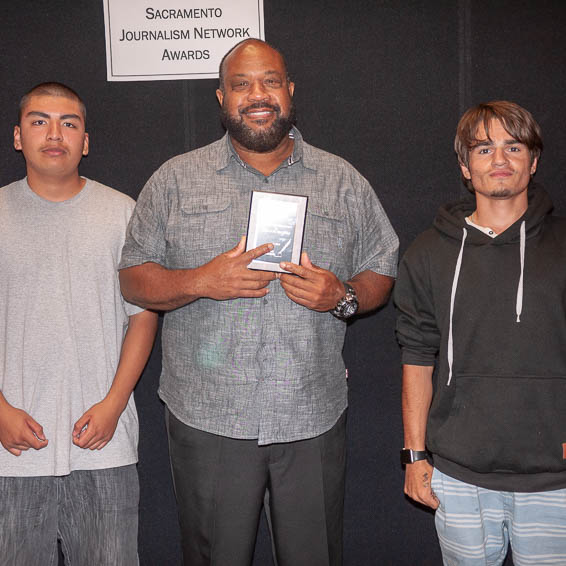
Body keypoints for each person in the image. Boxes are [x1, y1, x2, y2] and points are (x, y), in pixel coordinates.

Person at [119, 38, 398, 566]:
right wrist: (201, 279)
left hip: (311, 417)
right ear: (221, 96)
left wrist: (343, 296)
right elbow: (134, 279)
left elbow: (383, 266)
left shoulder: (342, 180)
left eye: (270, 81)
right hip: (209, 419)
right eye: (242, 84)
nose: (258, 94)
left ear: (289, 91)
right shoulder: (175, 180)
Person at [395, 100, 566, 565]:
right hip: (458, 476)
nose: (500, 159)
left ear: (534, 161)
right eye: (484, 148)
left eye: (514, 146)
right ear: (465, 167)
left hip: (555, 479)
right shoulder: (428, 254)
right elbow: (416, 357)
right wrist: (414, 456)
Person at [0, 82, 158, 565]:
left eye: (69, 123)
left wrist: (114, 405)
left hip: (103, 445)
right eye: (39, 121)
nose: (55, 133)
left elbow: (143, 318)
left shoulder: (123, 213)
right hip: (12, 450)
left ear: (85, 142)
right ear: (17, 137)